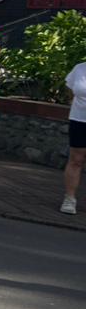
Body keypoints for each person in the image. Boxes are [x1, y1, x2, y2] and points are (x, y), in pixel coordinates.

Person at [62, 60, 86, 215]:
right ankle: (69, 199)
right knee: (76, 160)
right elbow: (70, 89)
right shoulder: (79, 68)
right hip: (79, 120)